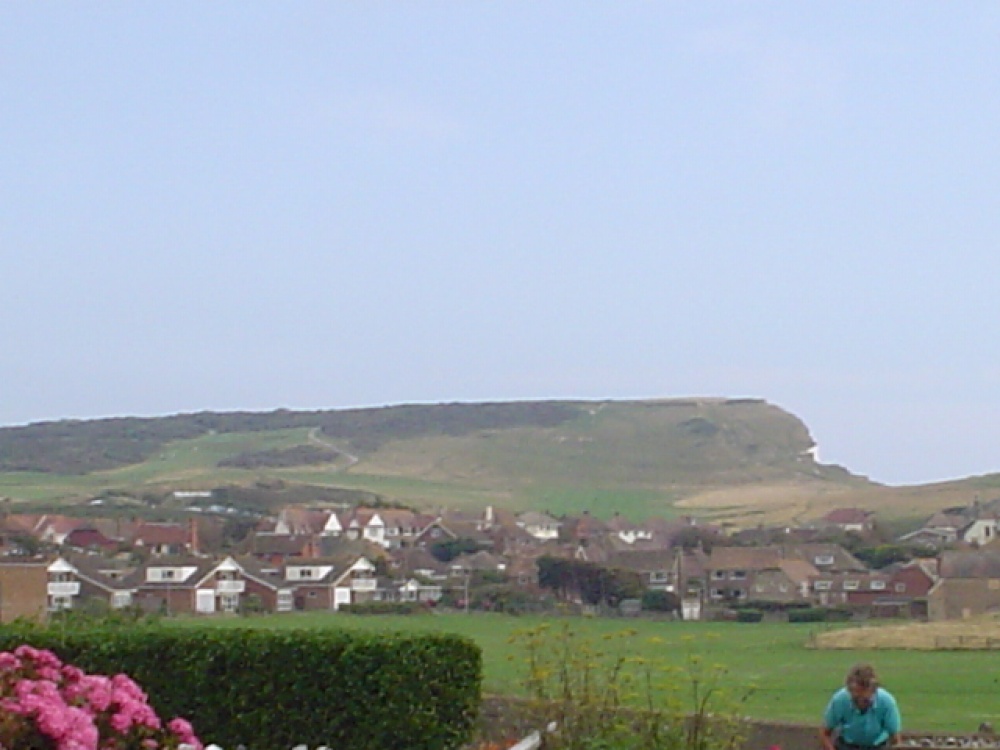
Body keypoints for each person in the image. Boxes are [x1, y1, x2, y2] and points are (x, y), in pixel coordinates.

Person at [820, 663, 901, 750]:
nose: (859, 702)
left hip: (877, 746)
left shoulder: (887, 702)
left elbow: (895, 739)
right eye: (854, 697)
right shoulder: (840, 699)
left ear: (874, 690)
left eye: (864, 698)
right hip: (847, 746)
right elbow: (825, 733)